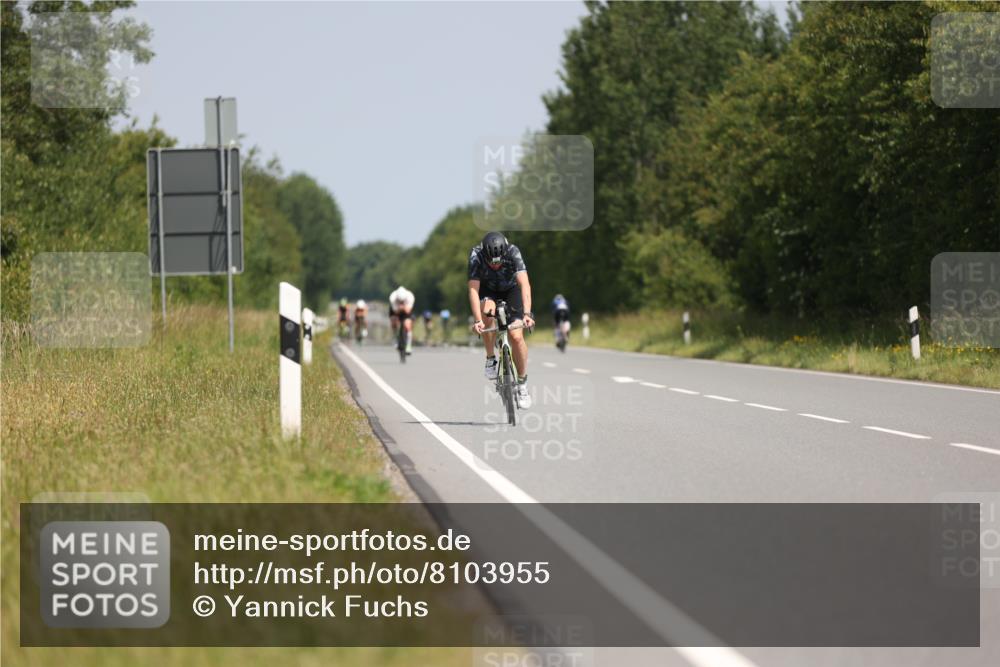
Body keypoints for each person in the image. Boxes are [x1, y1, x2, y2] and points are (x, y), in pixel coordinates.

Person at [468, 231, 535, 409]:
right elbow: (474, 290)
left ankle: (522, 385)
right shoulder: (476, 255)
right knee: (487, 313)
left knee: (516, 336)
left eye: (498, 261)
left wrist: (527, 314)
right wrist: (477, 321)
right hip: (487, 291)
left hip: (511, 289)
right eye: (491, 262)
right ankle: (491, 358)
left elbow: (525, 284)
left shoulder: (513, 252)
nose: (495, 265)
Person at [388, 285, 415, 355]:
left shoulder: (410, 297)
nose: (401, 301)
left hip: (406, 310)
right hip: (396, 310)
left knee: (408, 325)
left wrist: (403, 307)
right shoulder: (392, 297)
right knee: (394, 321)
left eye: (402, 301)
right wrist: (400, 308)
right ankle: (396, 339)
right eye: (400, 300)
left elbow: (408, 311)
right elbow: (395, 312)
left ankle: (408, 346)